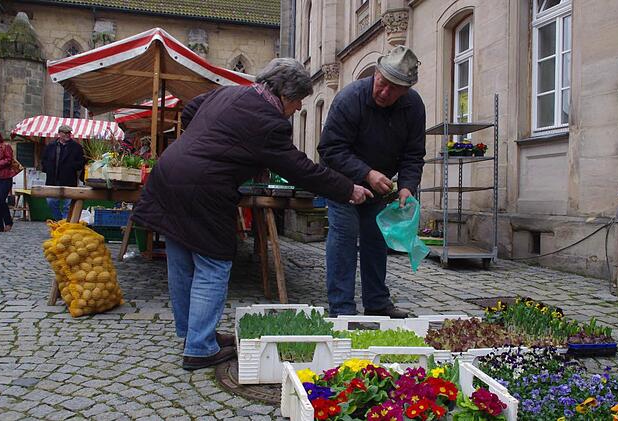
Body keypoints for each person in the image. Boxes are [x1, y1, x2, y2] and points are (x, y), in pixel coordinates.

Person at [132, 58, 373, 371]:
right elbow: (300, 169)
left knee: (182, 261)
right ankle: (199, 348)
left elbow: (190, 111)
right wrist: (348, 189)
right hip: (204, 187)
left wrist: (212, 142)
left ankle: (193, 334)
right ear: (286, 95)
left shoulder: (229, 93)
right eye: (299, 100)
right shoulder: (269, 123)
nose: (298, 107)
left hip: (168, 173)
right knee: (213, 264)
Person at [318, 45, 426, 319]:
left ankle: (377, 303)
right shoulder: (349, 99)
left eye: (395, 88)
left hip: (378, 186)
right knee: (343, 237)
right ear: (376, 73)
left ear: (406, 89)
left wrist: (406, 186)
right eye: (382, 83)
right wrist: (367, 173)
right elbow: (330, 149)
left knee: (376, 238)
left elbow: (413, 154)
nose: (385, 92)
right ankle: (342, 310)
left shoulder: (413, 107)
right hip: (342, 181)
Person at [41, 124, 84, 220]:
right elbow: (44, 160)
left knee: (67, 206)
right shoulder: (51, 146)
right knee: (51, 202)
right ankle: (60, 221)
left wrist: (71, 167)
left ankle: (65, 225)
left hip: (69, 180)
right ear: (59, 134)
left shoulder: (76, 147)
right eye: (65, 133)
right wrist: (47, 169)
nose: (68, 135)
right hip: (52, 180)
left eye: (69, 133)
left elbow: (81, 163)